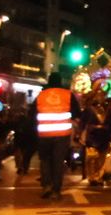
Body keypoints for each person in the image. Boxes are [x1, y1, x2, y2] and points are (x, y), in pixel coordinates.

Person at [33, 71, 80, 200]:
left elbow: (32, 114)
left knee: (45, 160)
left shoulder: (41, 95)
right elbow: (77, 113)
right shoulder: (68, 95)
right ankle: (56, 190)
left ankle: (46, 186)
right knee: (58, 162)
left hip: (44, 134)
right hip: (62, 134)